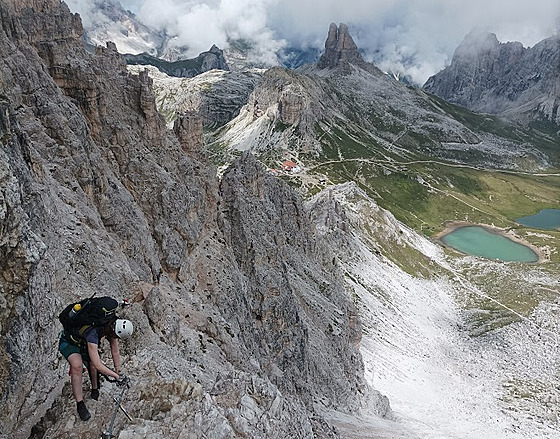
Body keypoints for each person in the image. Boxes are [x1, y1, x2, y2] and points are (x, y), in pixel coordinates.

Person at [58, 318, 134, 421]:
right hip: (69, 341)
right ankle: (80, 404)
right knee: (77, 366)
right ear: (113, 331)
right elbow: (98, 364)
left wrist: (117, 370)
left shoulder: (111, 325)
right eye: (115, 336)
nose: (114, 338)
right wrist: (116, 376)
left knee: (91, 365)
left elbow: (115, 350)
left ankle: (95, 389)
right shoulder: (92, 334)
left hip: (83, 341)